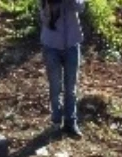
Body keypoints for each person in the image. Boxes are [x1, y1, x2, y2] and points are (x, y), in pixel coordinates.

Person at [40, 0, 86, 138]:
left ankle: (71, 123)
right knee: (55, 87)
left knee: (71, 88)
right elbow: (44, 17)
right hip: (51, 45)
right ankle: (56, 121)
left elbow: (80, 7)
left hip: (72, 45)